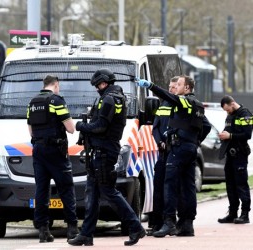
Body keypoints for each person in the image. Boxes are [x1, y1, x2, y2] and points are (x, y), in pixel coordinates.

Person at [68, 68, 145, 247]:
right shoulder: (115, 97)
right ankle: (86, 234)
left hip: (104, 152)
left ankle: (135, 226)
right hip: (100, 151)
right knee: (92, 194)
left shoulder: (109, 99)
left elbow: (101, 126)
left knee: (109, 192)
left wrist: (81, 126)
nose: (97, 89)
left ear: (105, 83)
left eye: (98, 85)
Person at [136, 75, 211, 237]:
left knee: (169, 184)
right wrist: (195, 141)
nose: (175, 87)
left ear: (187, 88)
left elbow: (171, 98)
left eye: (179, 84)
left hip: (178, 149)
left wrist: (151, 86)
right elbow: (204, 126)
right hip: (189, 149)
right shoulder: (197, 104)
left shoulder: (186, 101)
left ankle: (169, 221)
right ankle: (187, 224)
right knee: (187, 187)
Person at [27, 75, 79, 243]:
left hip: (38, 150)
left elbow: (30, 131)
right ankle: (72, 228)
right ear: (56, 85)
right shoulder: (57, 101)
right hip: (56, 151)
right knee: (65, 187)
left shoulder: (33, 102)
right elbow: (70, 129)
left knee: (41, 190)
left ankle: (43, 230)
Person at [148, 76, 178, 236]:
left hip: (175, 151)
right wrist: (160, 142)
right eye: (170, 87)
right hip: (162, 152)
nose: (171, 89)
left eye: (174, 87)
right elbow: (155, 127)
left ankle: (173, 221)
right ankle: (156, 222)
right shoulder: (162, 105)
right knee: (158, 186)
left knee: (173, 188)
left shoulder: (180, 104)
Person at [217, 95, 252, 224]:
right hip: (230, 155)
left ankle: (245, 214)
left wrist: (230, 136)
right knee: (230, 185)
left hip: (240, 154)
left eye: (228, 109)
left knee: (241, 184)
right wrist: (223, 135)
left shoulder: (245, 114)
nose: (227, 112)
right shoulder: (230, 115)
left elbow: (247, 134)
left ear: (232, 104)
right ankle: (232, 213)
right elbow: (228, 130)